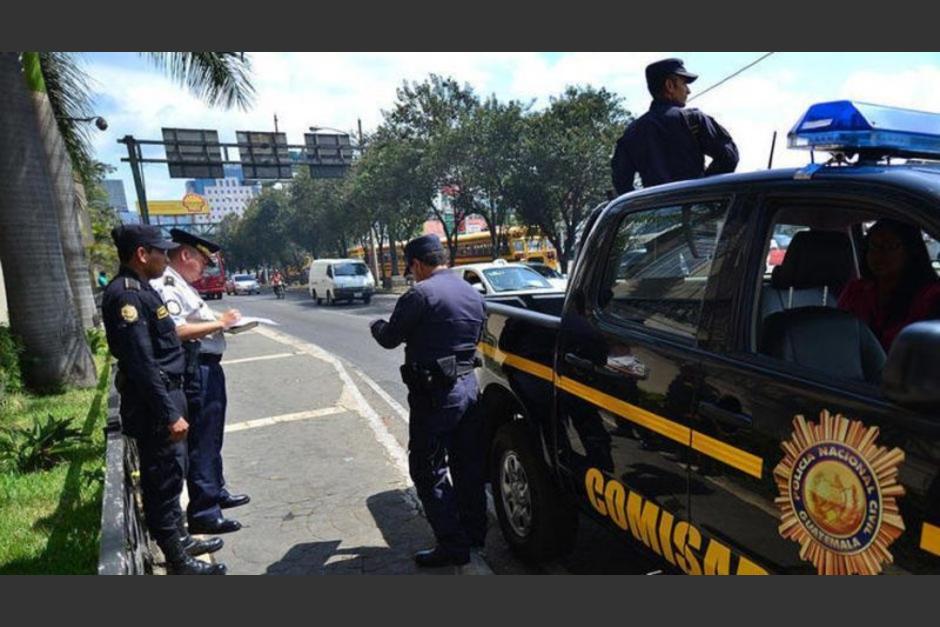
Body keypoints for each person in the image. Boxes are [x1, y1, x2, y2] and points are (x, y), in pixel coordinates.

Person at [102, 224, 226, 575]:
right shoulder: (127, 296)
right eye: (160, 251)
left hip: (169, 393)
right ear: (142, 254)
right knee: (162, 480)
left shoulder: (141, 289)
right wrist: (169, 412)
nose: (166, 257)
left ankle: (181, 540)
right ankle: (177, 559)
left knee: (174, 473)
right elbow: (142, 364)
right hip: (156, 405)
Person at [369, 234, 487, 568]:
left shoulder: (420, 294)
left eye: (410, 268)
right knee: (467, 464)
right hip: (468, 389)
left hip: (436, 398)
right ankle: (475, 532)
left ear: (417, 264)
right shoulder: (471, 292)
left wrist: (376, 324)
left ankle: (452, 545)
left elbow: (390, 338)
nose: (411, 274)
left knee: (427, 468)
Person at [152, 228, 250, 536]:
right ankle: (205, 512)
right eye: (203, 263)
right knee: (203, 439)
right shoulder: (167, 284)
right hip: (196, 369)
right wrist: (221, 323)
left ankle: (215, 490)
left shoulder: (181, 284)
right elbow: (176, 330)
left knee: (212, 435)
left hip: (207, 366)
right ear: (186, 255)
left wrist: (222, 323)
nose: (204, 270)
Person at [611, 58, 739, 195]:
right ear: (670, 86)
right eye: (684, 83)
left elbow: (621, 182)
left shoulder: (632, 132)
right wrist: (702, 189)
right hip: (698, 211)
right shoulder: (694, 119)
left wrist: (647, 205)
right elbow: (729, 156)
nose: (688, 90)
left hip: (656, 213)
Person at [838, 219, 940, 351]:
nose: (879, 253)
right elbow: (839, 337)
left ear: (910, 252)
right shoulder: (857, 290)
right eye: (874, 245)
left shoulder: (930, 296)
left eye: (890, 246)